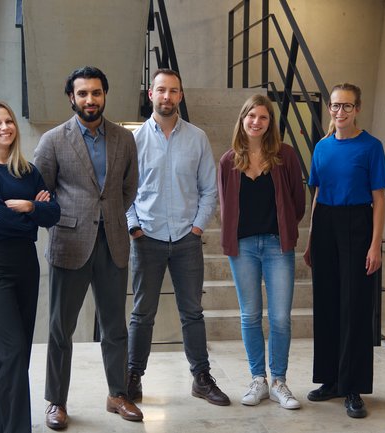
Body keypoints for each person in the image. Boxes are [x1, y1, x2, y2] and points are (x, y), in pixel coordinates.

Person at [34, 66, 142, 430]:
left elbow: (129, 187)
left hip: (113, 242)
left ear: (104, 95)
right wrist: (68, 218)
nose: (90, 99)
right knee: (60, 328)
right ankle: (56, 401)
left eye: (96, 92)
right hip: (69, 244)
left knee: (115, 326)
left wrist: (108, 215)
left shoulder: (124, 139)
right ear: (72, 98)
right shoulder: (53, 140)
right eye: (83, 93)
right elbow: (41, 193)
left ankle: (118, 394)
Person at [126, 69, 229, 406]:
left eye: (173, 91)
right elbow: (123, 190)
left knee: (192, 313)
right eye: (161, 90)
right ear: (151, 94)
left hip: (186, 239)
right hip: (147, 238)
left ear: (180, 95)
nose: (167, 96)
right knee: (142, 313)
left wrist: (197, 227)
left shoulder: (197, 138)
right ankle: (132, 378)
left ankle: (201, 378)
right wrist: (134, 226)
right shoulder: (135, 140)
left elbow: (209, 189)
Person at [0, 99, 60, 433]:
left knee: (13, 351)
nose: (5, 127)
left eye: (8, 121)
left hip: (26, 266)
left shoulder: (27, 171)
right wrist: (33, 215)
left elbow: (54, 213)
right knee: (14, 347)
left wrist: (29, 207)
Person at [304, 83, 385, 418]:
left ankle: (352, 386)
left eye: (347, 106)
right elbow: (317, 193)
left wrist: (375, 244)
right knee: (326, 303)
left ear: (357, 109)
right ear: (330, 109)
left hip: (358, 223)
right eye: (336, 106)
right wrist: (311, 238)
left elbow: (379, 198)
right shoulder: (322, 147)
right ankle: (331, 380)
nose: (340, 112)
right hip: (325, 222)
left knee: (355, 305)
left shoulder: (371, 146)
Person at [217, 94, 305, 409]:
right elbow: (225, 206)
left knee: (280, 317)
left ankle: (279, 381)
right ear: (243, 119)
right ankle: (259, 379)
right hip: (242, 247)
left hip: (276, 245)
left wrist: (283, 227)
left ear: (270, 123)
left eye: (263, 117)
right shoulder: (228, 161)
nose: (256, 122)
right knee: (250, 315)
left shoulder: (286, 156)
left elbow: (297, 203)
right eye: (251, 116)